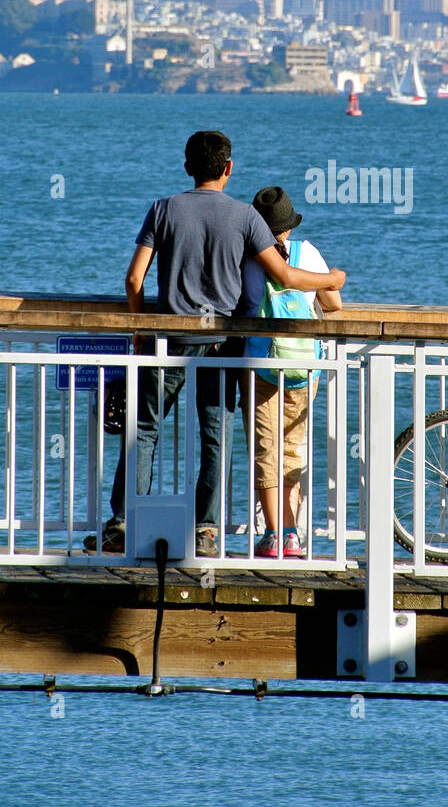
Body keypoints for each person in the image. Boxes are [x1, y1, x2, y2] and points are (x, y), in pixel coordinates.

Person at [85, 132, 345, 557]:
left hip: (168, 339)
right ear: (229, 168)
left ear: (187, 166)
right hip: (222, 344)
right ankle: (205, 531)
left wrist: (138, 327)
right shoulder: (246, 217)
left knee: (145, 430)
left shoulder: (162, 209)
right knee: (213, 437)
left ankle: (123, 524)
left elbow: (134, 279)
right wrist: (333, 280)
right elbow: (285, 276)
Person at [241, 186, 341, 558]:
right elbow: (333, 305)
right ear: (289, 224)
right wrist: (331, 279)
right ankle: (292, 535)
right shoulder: (308, 253)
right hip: (303, 367)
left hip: (261, 364)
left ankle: (271, 534)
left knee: (266, 448)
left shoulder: (249, 258)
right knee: (292, 451)